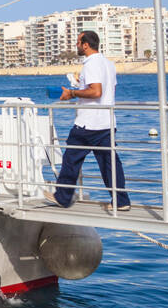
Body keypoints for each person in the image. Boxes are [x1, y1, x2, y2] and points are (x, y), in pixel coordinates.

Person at [52, 30, 130, 210]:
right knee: (109, 163)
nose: (76, 45)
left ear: (86, 44)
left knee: (71, 158)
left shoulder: (91, 64)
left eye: (78, 42)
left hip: (89, 122)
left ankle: (63, 197)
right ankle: (121, 201)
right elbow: (106, 90)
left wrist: (72, 93)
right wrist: (81, 85)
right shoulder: (108, 64)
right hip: (107, 121)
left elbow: (96, 92)